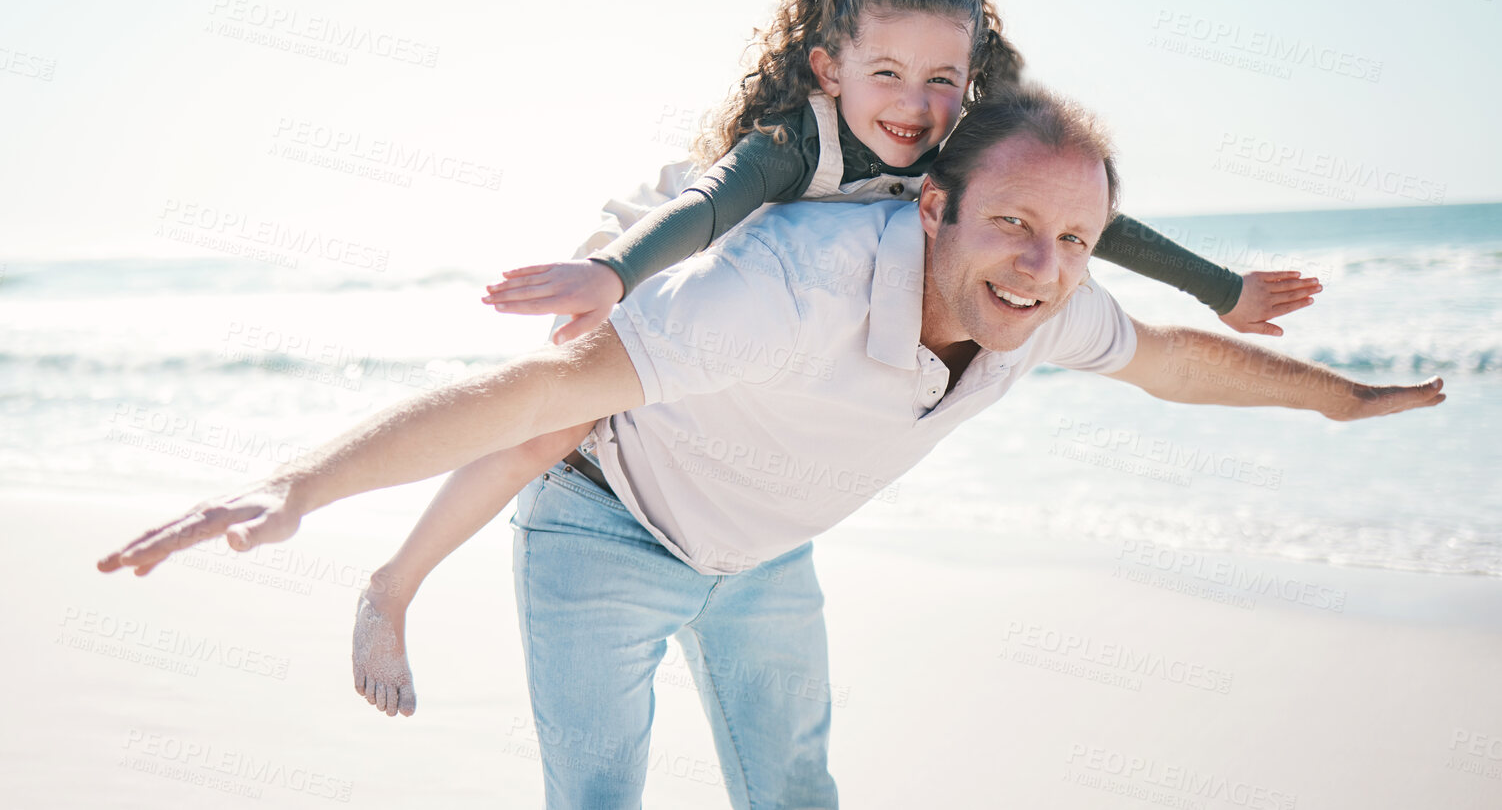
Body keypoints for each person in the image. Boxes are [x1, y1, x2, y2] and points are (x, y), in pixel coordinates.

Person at [98, 83, 1442, 809]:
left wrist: (1334, 399)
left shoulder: (1046, 308)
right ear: (930, 206)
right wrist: (302, 483)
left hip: (763, 557)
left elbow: (1170, 361)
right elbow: (529, 394)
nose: (1042, 268)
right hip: (604, 525)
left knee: (797, 790)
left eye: (1075, 240)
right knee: (597, 794)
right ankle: (389, 590)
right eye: (1011, 227)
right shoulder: (788, 283)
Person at [350, 0, 1320, 719]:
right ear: (829, 65)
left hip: (750, 318)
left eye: (944, 78)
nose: (914, 103)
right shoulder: (794, 143)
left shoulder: (962, 152)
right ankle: (394, 586)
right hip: (671, 246)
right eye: (886, 71)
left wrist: (1222, 289)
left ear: (974, 78)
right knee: (555, 425)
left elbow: (1092, 215)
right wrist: (612, 272)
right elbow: (708, 207)